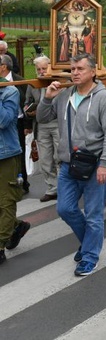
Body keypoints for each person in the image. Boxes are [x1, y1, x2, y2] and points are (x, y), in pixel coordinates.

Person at [37, 54, 106, 276]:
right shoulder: (64, 96)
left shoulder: (104, 98)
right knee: (64, 208)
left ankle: (89, 257)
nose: (74, 72)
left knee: (94, 215)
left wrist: (105, 163)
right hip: (68, 164)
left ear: (93, 72)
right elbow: (42, 118)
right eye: (72, 69)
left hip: (94, 165)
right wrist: (47, 97)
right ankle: (88, 244)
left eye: (80, 69)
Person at [23, 56, 60, 202]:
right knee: (45, 159)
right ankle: (52, 188)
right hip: (40, 125)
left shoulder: (59, 83)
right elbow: (27, 103)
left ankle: (64, 188)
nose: (41, 72)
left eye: (44, 68)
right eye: (39, 69)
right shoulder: (33, 85)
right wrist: (28, 110)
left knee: (59, 158)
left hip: (57, 123)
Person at [0, 71, 27, 264]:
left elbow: (4, 120)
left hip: (5, 154)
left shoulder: (9, 91)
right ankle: (16, 226)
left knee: (6, 201)